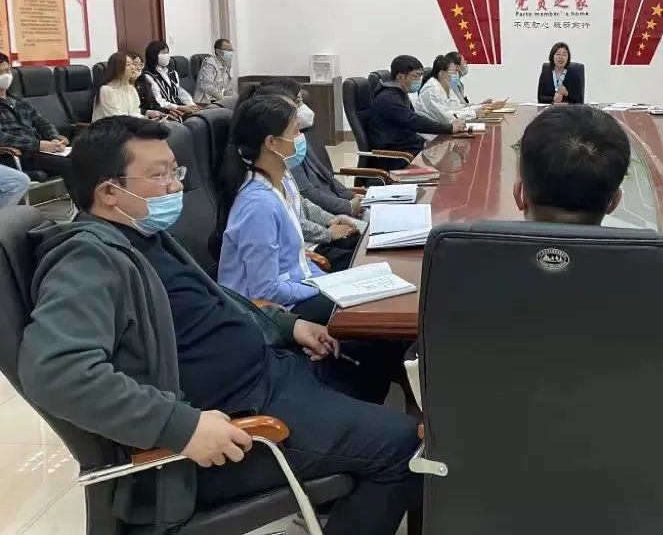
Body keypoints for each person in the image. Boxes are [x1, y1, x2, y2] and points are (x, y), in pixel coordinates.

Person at [18, 115, 419, 535]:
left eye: (176, 172)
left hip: (271, 374)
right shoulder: (87, 259)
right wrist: (180, 426)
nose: (175, 187)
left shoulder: (146, 237)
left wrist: (288, 325)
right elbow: (56, 371)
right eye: (160, 176)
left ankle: (340, 484)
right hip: (237, 421)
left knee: (376, 349)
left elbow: (215, 302)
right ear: (108, 192)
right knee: (403, 445)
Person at [406, 104, 663, 534]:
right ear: (614, 200)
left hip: (489, 500)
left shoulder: (456, 288)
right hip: (626, 503)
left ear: (520, 193)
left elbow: (431, 396)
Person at [216, 95, 352, 325]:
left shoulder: (282, 180)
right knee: (363, 315)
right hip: (271, 311)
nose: (301, 138)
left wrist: (328, 283)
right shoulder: (258, 205)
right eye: (295, 131)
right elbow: (265, 290)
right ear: (271, 142)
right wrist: (321, 288)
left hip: (297, 287)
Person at [254, 79, 363, 218]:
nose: (302, 109)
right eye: (297, 102)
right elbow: (306, 194)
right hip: (332, 213)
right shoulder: (280, 153)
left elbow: (325, 174)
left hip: (333, 211)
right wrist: (346, 208)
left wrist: (350, 197)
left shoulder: (298, 135)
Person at [364, 55, 466, 165]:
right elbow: (413, 121)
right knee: (447, 165)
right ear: (400, 77)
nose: (419, 80)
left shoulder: (399, 94)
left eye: (421, 75)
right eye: (416, 76)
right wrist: (449, 128)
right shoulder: (388, 99)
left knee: (449, 156)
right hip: (397, 157)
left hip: (408, 150)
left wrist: (424, 142)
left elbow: (409, 127)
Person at [0, 52, 72, 179]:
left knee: (85, 158)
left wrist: (54, 138)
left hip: (39, 152)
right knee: (72, 166)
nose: (6, 75)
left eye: (7, 71)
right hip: (16, 156)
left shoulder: (18, 101)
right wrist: (38, 145)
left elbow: (42, 122)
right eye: (1, 72)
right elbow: (3, 138)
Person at [93, 52, 164, 121]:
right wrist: (144, 123)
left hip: (128, 125)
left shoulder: (131, 88)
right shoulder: (107, 90)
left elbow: (135, 112)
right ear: (117, 68)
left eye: (132, 64)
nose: (133, 67)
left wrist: (146, 120)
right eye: (128, 64)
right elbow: (116, 119)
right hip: (109, 127)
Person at [415, 55, 480, 125]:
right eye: (454, 71)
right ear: (442, 73)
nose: (457, 73)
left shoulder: (447, 86)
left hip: (443, 128)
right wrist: (474, 113)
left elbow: (458, 108)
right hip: (429, 130)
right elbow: (448, 118)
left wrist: (480, 108)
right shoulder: (432, 89)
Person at [142, 40, 198, 115]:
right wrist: (180, 108)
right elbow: (158, 101)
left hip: (179, 106)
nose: (167, 55)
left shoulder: (172, 72)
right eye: (163, 53)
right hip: (165, 111)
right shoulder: (148, 76)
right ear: (153, 55)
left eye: (167, 52)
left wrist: (191, 104)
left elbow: (179, 91)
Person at [194, 38, 236, 104]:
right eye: (228, 50)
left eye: (231, 50)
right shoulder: (209, 64)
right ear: (218, 51)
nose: (230, 53)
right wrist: (223, 99)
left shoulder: (225, 65)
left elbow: (228, 87)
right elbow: (208, 87)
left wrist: (233, 99)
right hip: (204, 102)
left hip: (217, 101)